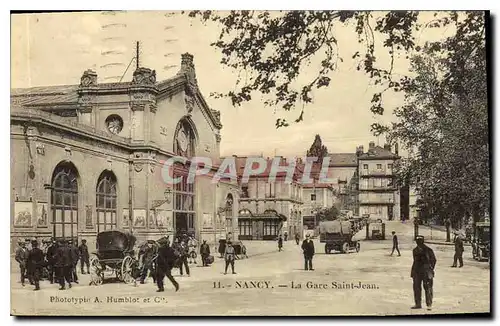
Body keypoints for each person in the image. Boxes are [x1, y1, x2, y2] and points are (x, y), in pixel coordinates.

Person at [411, 236, 436, 311]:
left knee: (428, 288)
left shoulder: (428, 250)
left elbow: (434, 260)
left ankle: (429, 304)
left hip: (426, 271)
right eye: (417, 241)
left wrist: (430, 268)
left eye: (419, 241)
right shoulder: (415, 250)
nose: (418, 242)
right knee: (416, 288)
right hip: (417, 271)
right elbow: (415, 261)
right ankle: (418, 304)